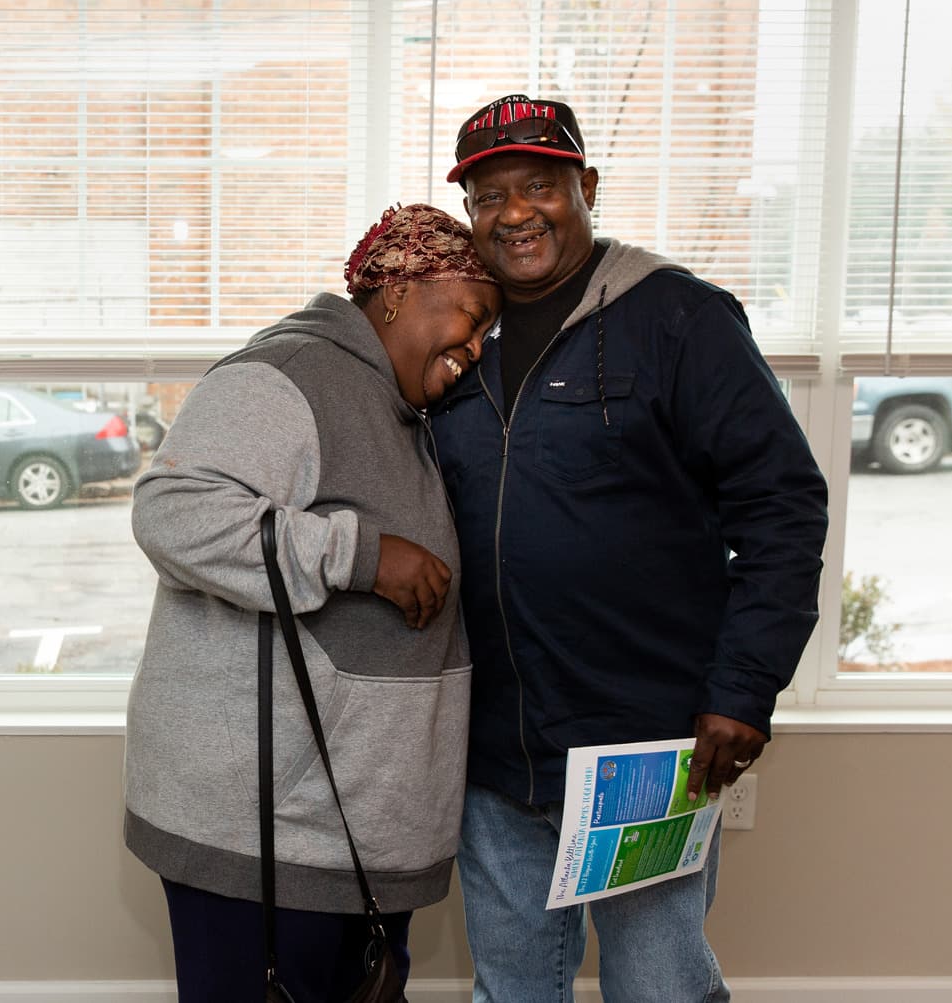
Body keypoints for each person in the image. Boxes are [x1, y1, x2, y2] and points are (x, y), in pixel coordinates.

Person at [429, 94, 829, 1002]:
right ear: (469, 213)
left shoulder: (679, 320)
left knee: (659, 987)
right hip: (496, 756)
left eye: (541, 185)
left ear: (588, 188)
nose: (516, 213)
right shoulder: (459, 336)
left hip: (643, 754)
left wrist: (743, 688)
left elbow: (783, 507)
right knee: (514, 990)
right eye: (490, 196)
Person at [123, 203, 502, 1003]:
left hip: (351, 842)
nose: (474, 349)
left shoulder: (405, 406)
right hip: (266, 837)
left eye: (485, 335)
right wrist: (359, 554)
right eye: (469, 318)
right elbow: (173, 513)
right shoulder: (291, 375)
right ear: (398, 289)